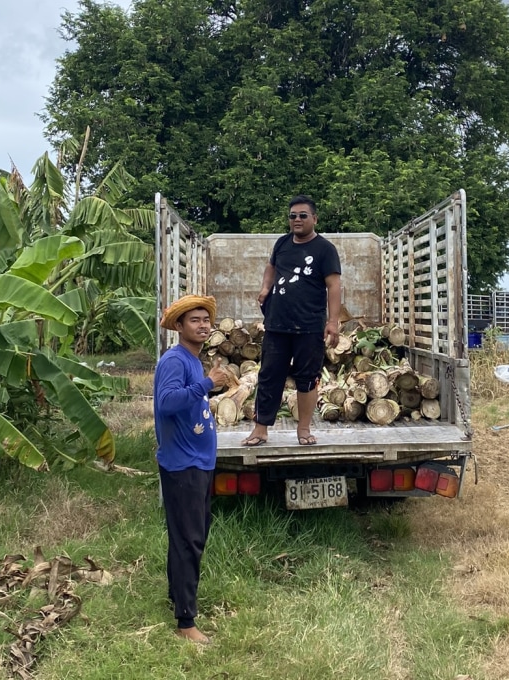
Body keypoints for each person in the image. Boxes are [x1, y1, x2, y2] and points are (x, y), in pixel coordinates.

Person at [154, 294, 229, 644]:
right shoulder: (175, 360)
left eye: (205, 320)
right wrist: (206, 385)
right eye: (194, 320)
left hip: (196, 461)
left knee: (186, 537)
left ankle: (177, 597)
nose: (202, 325)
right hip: (183, 464)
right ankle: (186, 623)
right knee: (189, 541)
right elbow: (167, 402)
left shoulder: (192, 360)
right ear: (180, 326)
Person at [241, 195, 341, 447]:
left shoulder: (325, 249)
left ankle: (304, 429)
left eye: (302, 215)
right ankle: (260, 428)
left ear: (314, 219)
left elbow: (334, 285)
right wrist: (265, 287)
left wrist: (333, 322)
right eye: (292, 216)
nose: (297, 220)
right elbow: (271, 267)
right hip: (277, 324)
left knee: (307, 378)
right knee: (269, 375)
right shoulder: (282, 243)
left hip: (309, 327)